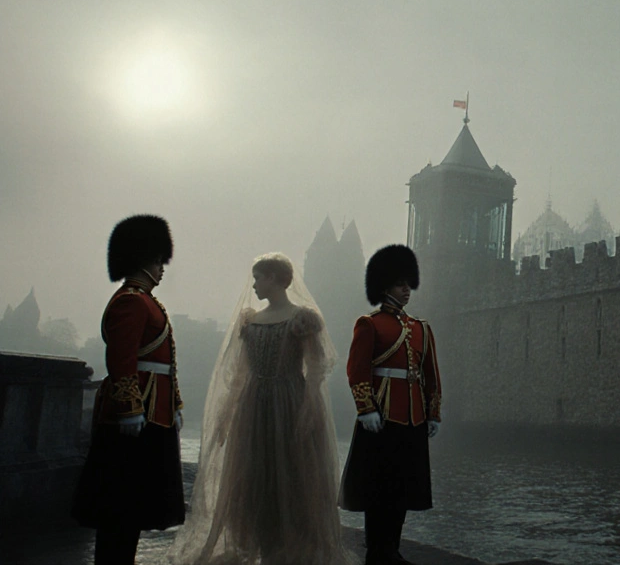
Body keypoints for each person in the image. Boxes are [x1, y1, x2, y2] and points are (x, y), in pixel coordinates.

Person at [171, 253, 353, 565]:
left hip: (290, 401)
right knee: (254, 475)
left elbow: (316, 369)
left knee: (293, 475)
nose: (253, 285)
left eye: (258, 278)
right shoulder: (250, 320)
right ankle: (263, 542)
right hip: (254, 405)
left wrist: (309, 410)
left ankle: (287, 547)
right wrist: (227, 415)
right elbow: (239, 374)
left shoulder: (302, 319)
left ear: (275, 278)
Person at [73, 214, 186, 565]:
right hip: (136, 418)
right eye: (157, 260)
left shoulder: (147, 301)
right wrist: (130, 409)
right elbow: (121, 360)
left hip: (153, 415)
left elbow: (166, 365)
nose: (162, 268)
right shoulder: (132, 302)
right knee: (120, 509)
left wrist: (176, 403)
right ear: (142, 260)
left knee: (132, 508)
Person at [339, 245, 441, 565]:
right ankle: (378, 550)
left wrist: (433, 412)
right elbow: (357, 369)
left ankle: (391, 549)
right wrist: (366, 408)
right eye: (400, 284)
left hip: (412, 418)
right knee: (378, 488)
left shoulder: (421, 328)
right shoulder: (370, 324)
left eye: (408, 284)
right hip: (381, 417)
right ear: (385, 286)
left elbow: (430, 375)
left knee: (402, 490)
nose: (407, 290)